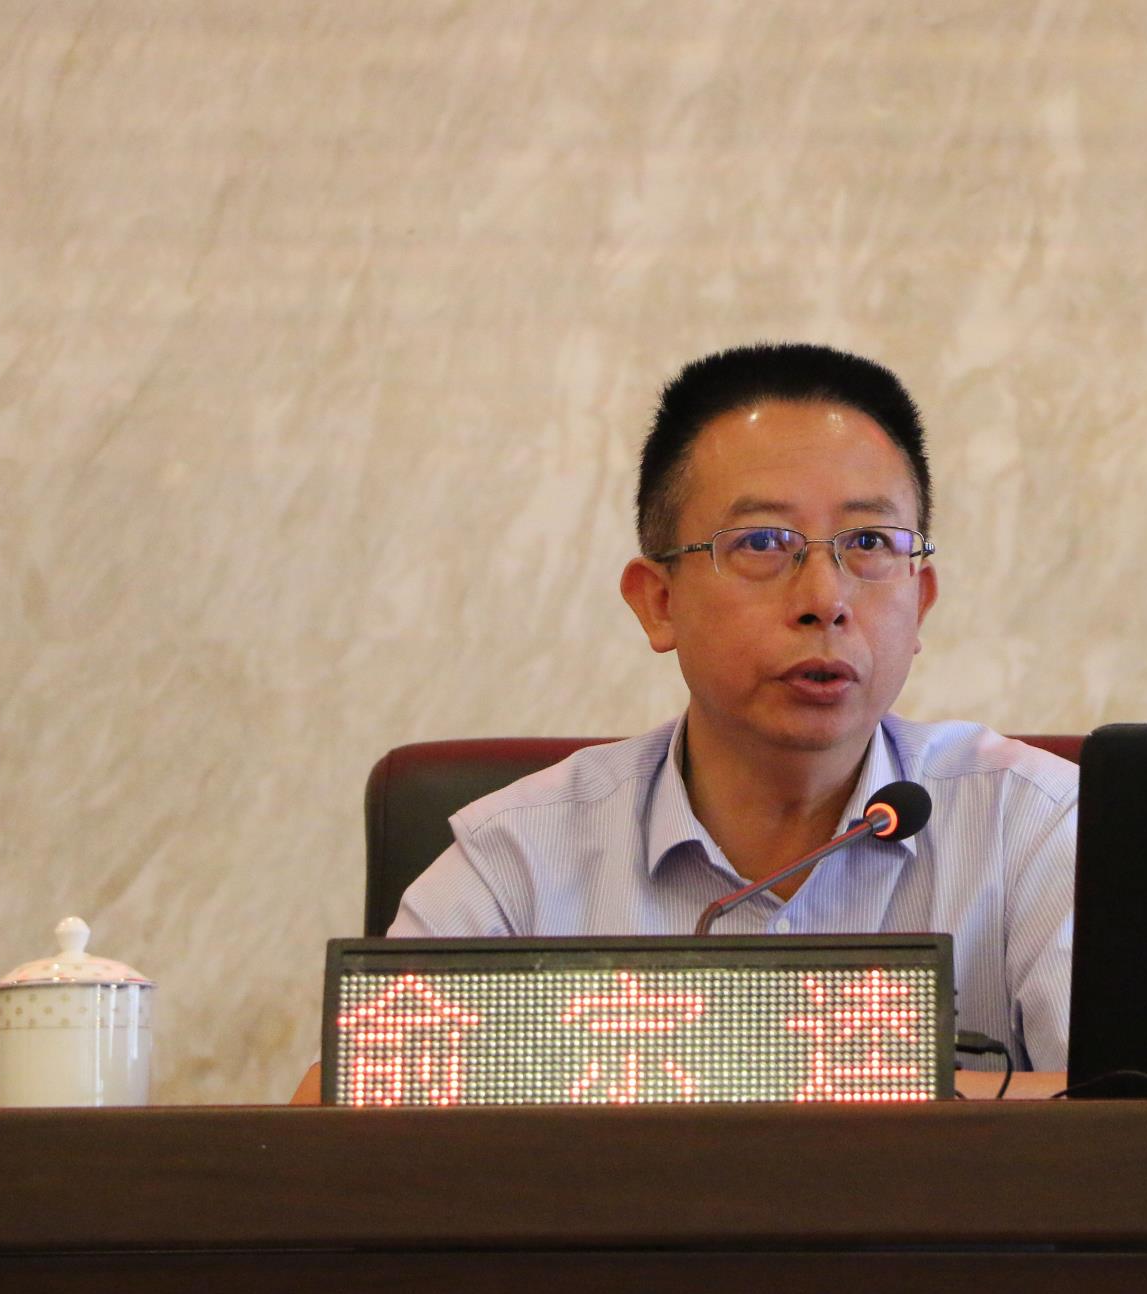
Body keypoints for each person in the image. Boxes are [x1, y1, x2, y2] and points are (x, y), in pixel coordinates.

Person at [293, 344, 1075, 1104]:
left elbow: (1138, 1115)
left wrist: (774, 1087)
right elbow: (328, 1114)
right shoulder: (523, 857)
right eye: (763, 542)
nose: (825, 598)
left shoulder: (1038, 826)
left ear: (920, 599)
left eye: (868, 542)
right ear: (658, 602)